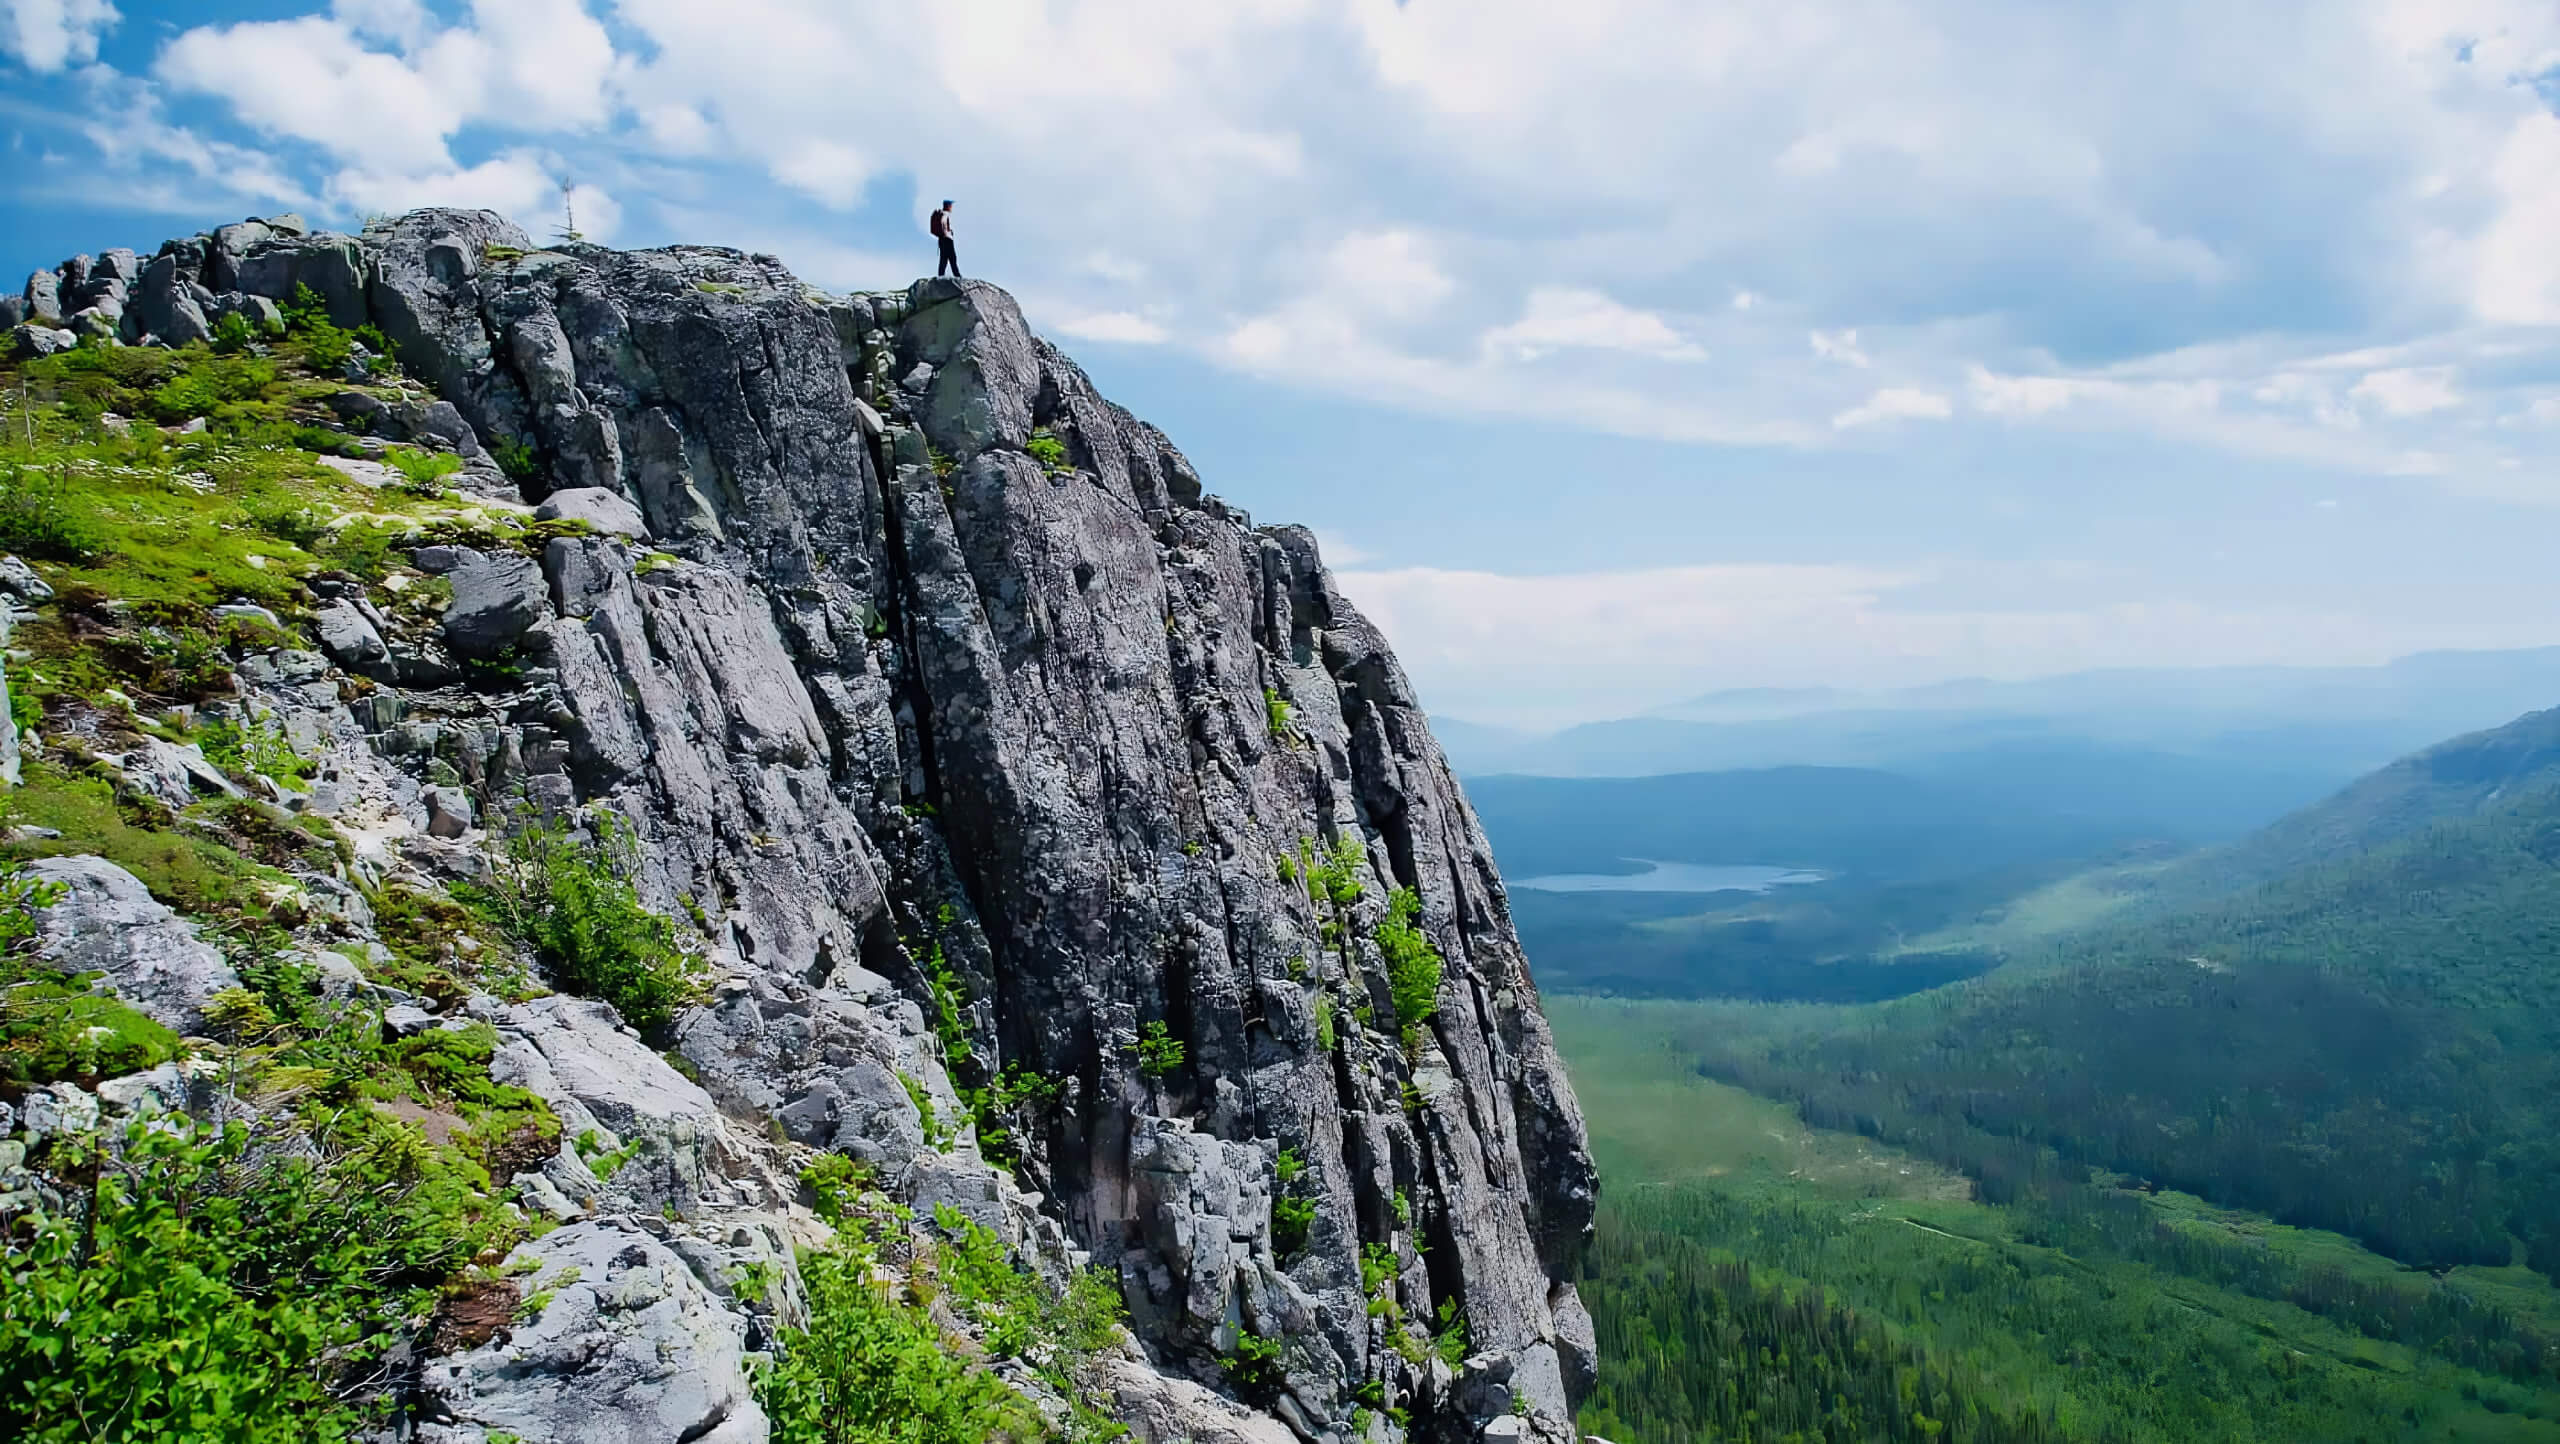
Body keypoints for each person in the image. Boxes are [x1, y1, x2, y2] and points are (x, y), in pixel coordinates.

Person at [931, 200, 960, 278]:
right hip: (947, 239)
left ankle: (941, 276)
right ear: (948, 206)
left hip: (942, 239)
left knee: (944, 258)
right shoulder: (946, 214)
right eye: (951, 205)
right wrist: (947, 233)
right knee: (952, 258)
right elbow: (944, 225)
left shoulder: (941, 213)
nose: (951, 207)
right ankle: (957, 276)